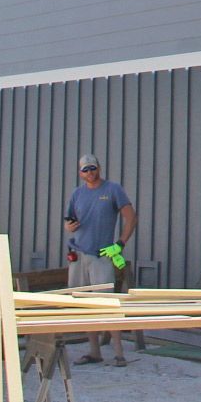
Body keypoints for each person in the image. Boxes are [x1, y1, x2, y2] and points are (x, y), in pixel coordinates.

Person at [64, 153, 136, 365]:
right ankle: (94, 351)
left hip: (102, 255)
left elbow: (131, 217)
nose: (90, 173)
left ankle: (119, 353)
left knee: (108, 304)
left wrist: (120, 244)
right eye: (85, 170)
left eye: (92, 168)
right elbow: (69, 220)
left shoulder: (113, 190)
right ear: (80, 173)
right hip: (78, 256)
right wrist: (68, 226)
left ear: (99, 168)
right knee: (84, 304)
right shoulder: (77, 194)